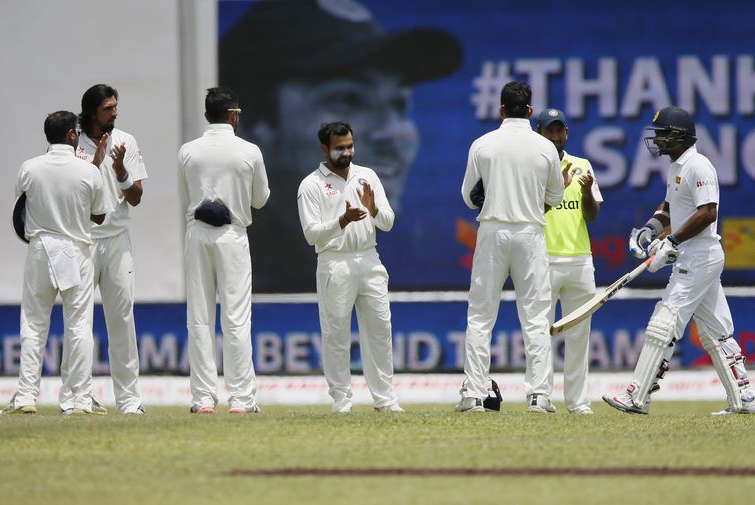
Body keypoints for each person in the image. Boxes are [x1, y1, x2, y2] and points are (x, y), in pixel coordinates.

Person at [219, 0, 463, 293]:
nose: (392, 134)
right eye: (348, 100)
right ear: (247, 128)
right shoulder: (222, 287)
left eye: (398, 105)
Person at [603, 106, 755, 415]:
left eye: (662, 134)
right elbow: (670, 206)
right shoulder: (677, 166)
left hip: (698, 257)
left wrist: (672, 241)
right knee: (716, 332)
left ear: (679, 136)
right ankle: (745, 399)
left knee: (663, 323)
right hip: (693, 257)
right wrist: (651, 229)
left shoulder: (699, 165)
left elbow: (707, 212)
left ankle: (637, 397)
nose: (657, 140)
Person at [457, 82, 566, 413]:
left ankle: (474, 394)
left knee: (480, 316)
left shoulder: (483, 144)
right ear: (530, 111)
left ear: (501, 109)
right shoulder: (545, 147)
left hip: (492, 230)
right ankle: (539, 396)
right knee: (535, 316)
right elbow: (556, 197)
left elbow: (467, 195)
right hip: (530, 233)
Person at [2, 111, 107, 415]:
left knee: (34, 324)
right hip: (76, 249)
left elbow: (22, 205)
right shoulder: (88, 171)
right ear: (72, 135)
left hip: (40, 248)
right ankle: (79, 399)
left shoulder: (29, 168)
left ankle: (25, 397)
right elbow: (99, 215)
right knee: (78, 325)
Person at [296, 121, 403, 413]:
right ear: (324, 149)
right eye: (339, 148)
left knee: (380, 330)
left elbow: (388, 222)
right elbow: (311, 234)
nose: (346, 152)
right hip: (335, 262)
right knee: (336, 333)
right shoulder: (311, 185)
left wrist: (374, 209)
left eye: (350, 146)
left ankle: (385, 399)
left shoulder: (366, 176)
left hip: (369, 258)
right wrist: (341, 221)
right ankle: (342, 399)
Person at [178, 87, 270, 414]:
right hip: (232, 233)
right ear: (234, 116)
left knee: (199, 318)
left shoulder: (188, 151)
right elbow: (260, 199)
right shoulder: (249, 150)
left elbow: (186, 195)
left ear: (206, 116)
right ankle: (242, 400)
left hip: (198, 232)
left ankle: (203, 399)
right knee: (236, 318)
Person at [58, 84, 147, 415]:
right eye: (108, 108)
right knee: (78, 320)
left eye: (115, 107)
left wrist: (121, 170)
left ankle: (129, 401)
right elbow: (69, 194)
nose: (114, 113)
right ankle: (76, 400)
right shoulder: (71, 143)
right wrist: (95, 164)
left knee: (122, 320)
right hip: (82, 240)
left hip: (117, 240)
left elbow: (136, 197)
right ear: (91, 112)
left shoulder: (126, 141)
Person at [536, 108, 603, 415]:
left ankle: (578, 402)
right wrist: (557, 190)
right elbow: (530, 212)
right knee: (540, 333)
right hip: (542, 259)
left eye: (559, 130)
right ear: (539, 133)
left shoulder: (582, 165)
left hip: (579, 259)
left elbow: (591, 215)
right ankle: (540, 397)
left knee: (579, 336)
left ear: (566, 133)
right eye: (549, 130)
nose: (555, 136)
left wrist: (587, 192)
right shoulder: (531, 166)